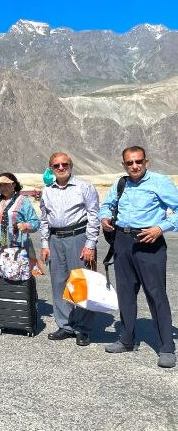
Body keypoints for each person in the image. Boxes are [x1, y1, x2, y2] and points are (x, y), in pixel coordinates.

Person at [100, 146, 178, 368]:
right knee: (125, 293)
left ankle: (167, 348)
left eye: (138, 162)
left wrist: (160, 228)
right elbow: (107, 205)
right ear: (124, 164)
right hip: (122, 242)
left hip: (149, 242)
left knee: (156, 295)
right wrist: (105, 217)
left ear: (146, 162)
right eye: (129, 163)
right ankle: (126, 339)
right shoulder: (121, 183)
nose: (134, 166)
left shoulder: (159, 182)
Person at [40, 152, 100, 346]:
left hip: (78, 237)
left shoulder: (84, 186)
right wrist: (44, 244)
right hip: (55, 238)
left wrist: (90, 244)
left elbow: (93, 215)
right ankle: (65, 325)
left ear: (71, 166)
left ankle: (82, 328)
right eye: (56, 166)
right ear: (51, 169)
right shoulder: (47, 190)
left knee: (81, 283)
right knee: (59, 283)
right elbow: (44, 218)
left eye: (64, 164)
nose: (60, 168)